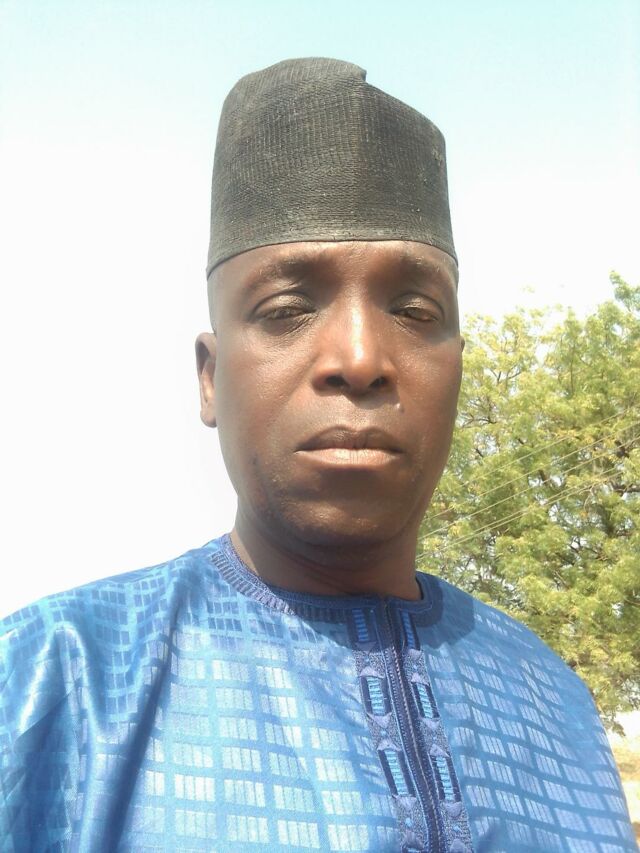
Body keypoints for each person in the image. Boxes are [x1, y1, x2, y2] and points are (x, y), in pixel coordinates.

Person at [0, 58, 635, 853]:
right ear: (210, 377)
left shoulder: (558, 705)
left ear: (458, 370)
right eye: (286, 308)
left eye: (415, 310)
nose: (361, 357)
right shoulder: (53, 681)